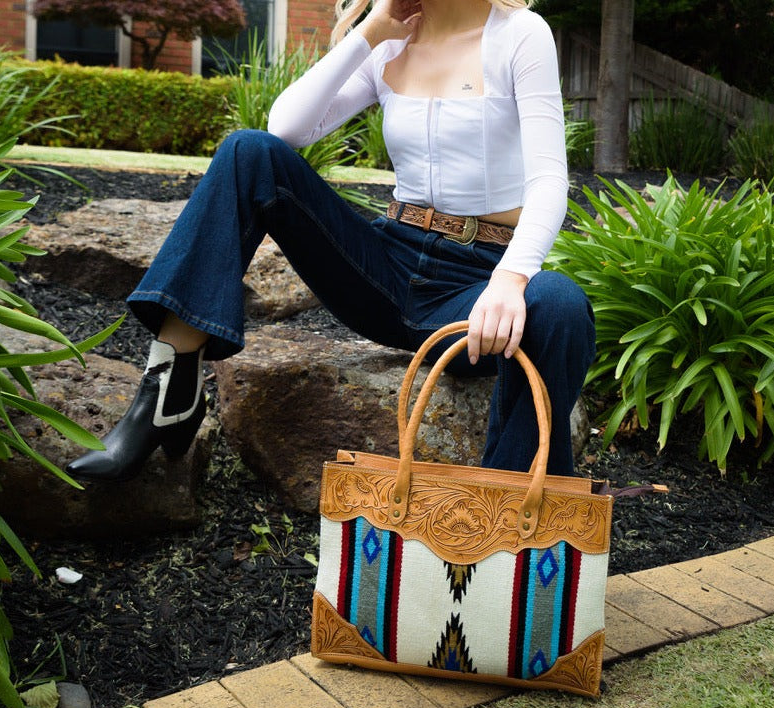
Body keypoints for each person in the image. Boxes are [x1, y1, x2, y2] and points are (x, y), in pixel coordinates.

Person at [66, 0, 596, 483]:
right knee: (249, 153)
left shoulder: (520, 35)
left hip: (476, 298)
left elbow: (549, 181)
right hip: (387, 270)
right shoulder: (391, 36)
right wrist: (370, 32)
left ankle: (504, 511)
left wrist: (510, 277)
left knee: (560, 303)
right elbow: (285, 129)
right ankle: (167, 390)